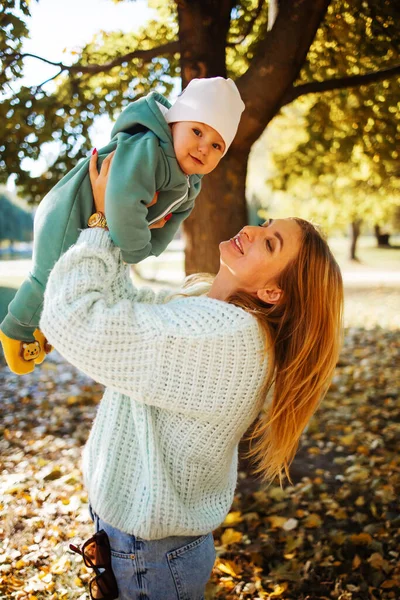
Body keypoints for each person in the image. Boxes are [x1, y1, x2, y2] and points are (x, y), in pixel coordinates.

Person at [39, 153, 344, 600]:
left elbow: (75, 318)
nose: (254, 229)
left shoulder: (226, 337)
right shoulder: (208, 304)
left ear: (272, 292)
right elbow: (125, 309)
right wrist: (126, 208)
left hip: (148, 559)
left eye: (271, 243)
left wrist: (102, 222)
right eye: (269, 223)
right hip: (145, 548)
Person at [0, 77, 245, 375]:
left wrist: (151, 246)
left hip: (95, 221)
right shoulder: (149, 149)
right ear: (173, 124)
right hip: (69, 208)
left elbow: (173, 220)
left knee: (70, 279)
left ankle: (44, 326)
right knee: (48, 274)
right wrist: (137, 247)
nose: (203, 147)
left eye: (216, 145)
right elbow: (122, 198)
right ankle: (16, 329)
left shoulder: (189, 184)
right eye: (197, 131)